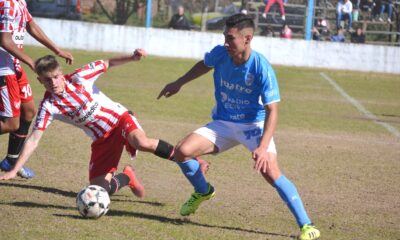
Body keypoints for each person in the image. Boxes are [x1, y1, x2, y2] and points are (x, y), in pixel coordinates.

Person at [157, 13, 321, 240]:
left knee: (271, 172)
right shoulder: (221, 53)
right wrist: (179, 83)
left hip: (253, 124)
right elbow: (204, 65)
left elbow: (273, 111)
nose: (226, 42)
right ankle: (203, 191)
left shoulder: (261, 67)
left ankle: (307, 226)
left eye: (231, 38)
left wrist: (263, 148)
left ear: (247, 38)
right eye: (225, 36)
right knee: (182, 152)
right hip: (223, 122)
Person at [0, 49, 208, 198]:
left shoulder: (81, 78)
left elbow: (107, 63)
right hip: (102, 139)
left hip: (119, 119)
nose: (53, 83)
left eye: (55, 77)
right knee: (98, 191)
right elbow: (34, 139)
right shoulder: (49, 106)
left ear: (61, 74)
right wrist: (14, 168)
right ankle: (127, 177)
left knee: (141, 143)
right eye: (47, 80)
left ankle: (190, 160)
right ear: (40, 81)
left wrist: (133, 58)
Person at [0, 0, 73, 179]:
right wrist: (32, 62)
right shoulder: (7, 3)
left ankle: (11, 161)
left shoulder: (20, 1)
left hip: (14, 64)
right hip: (3, 67)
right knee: (11, 124)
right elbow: (4, 40)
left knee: (29, 112)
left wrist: (57, 50)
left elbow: (30, 25)